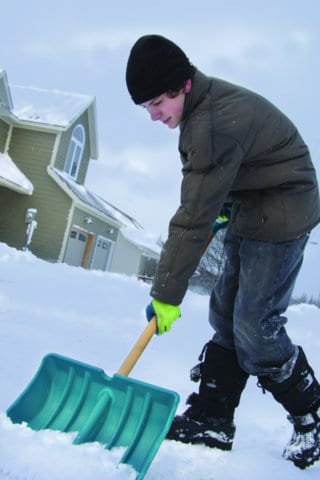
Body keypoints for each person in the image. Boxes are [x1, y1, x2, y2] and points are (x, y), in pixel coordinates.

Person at [125, 34, 320, 469]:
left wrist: (166, 293)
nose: (154, 116)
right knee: (226, 310)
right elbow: (218, 186)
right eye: (146, 108)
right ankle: (212, 417)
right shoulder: (202, 110)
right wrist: (226, 205)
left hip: (285, 208)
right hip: (251, 202)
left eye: (157, 103)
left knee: (255, 324)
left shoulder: (212, 122)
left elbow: (192, 216)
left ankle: (313, 416)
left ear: (182, 86)